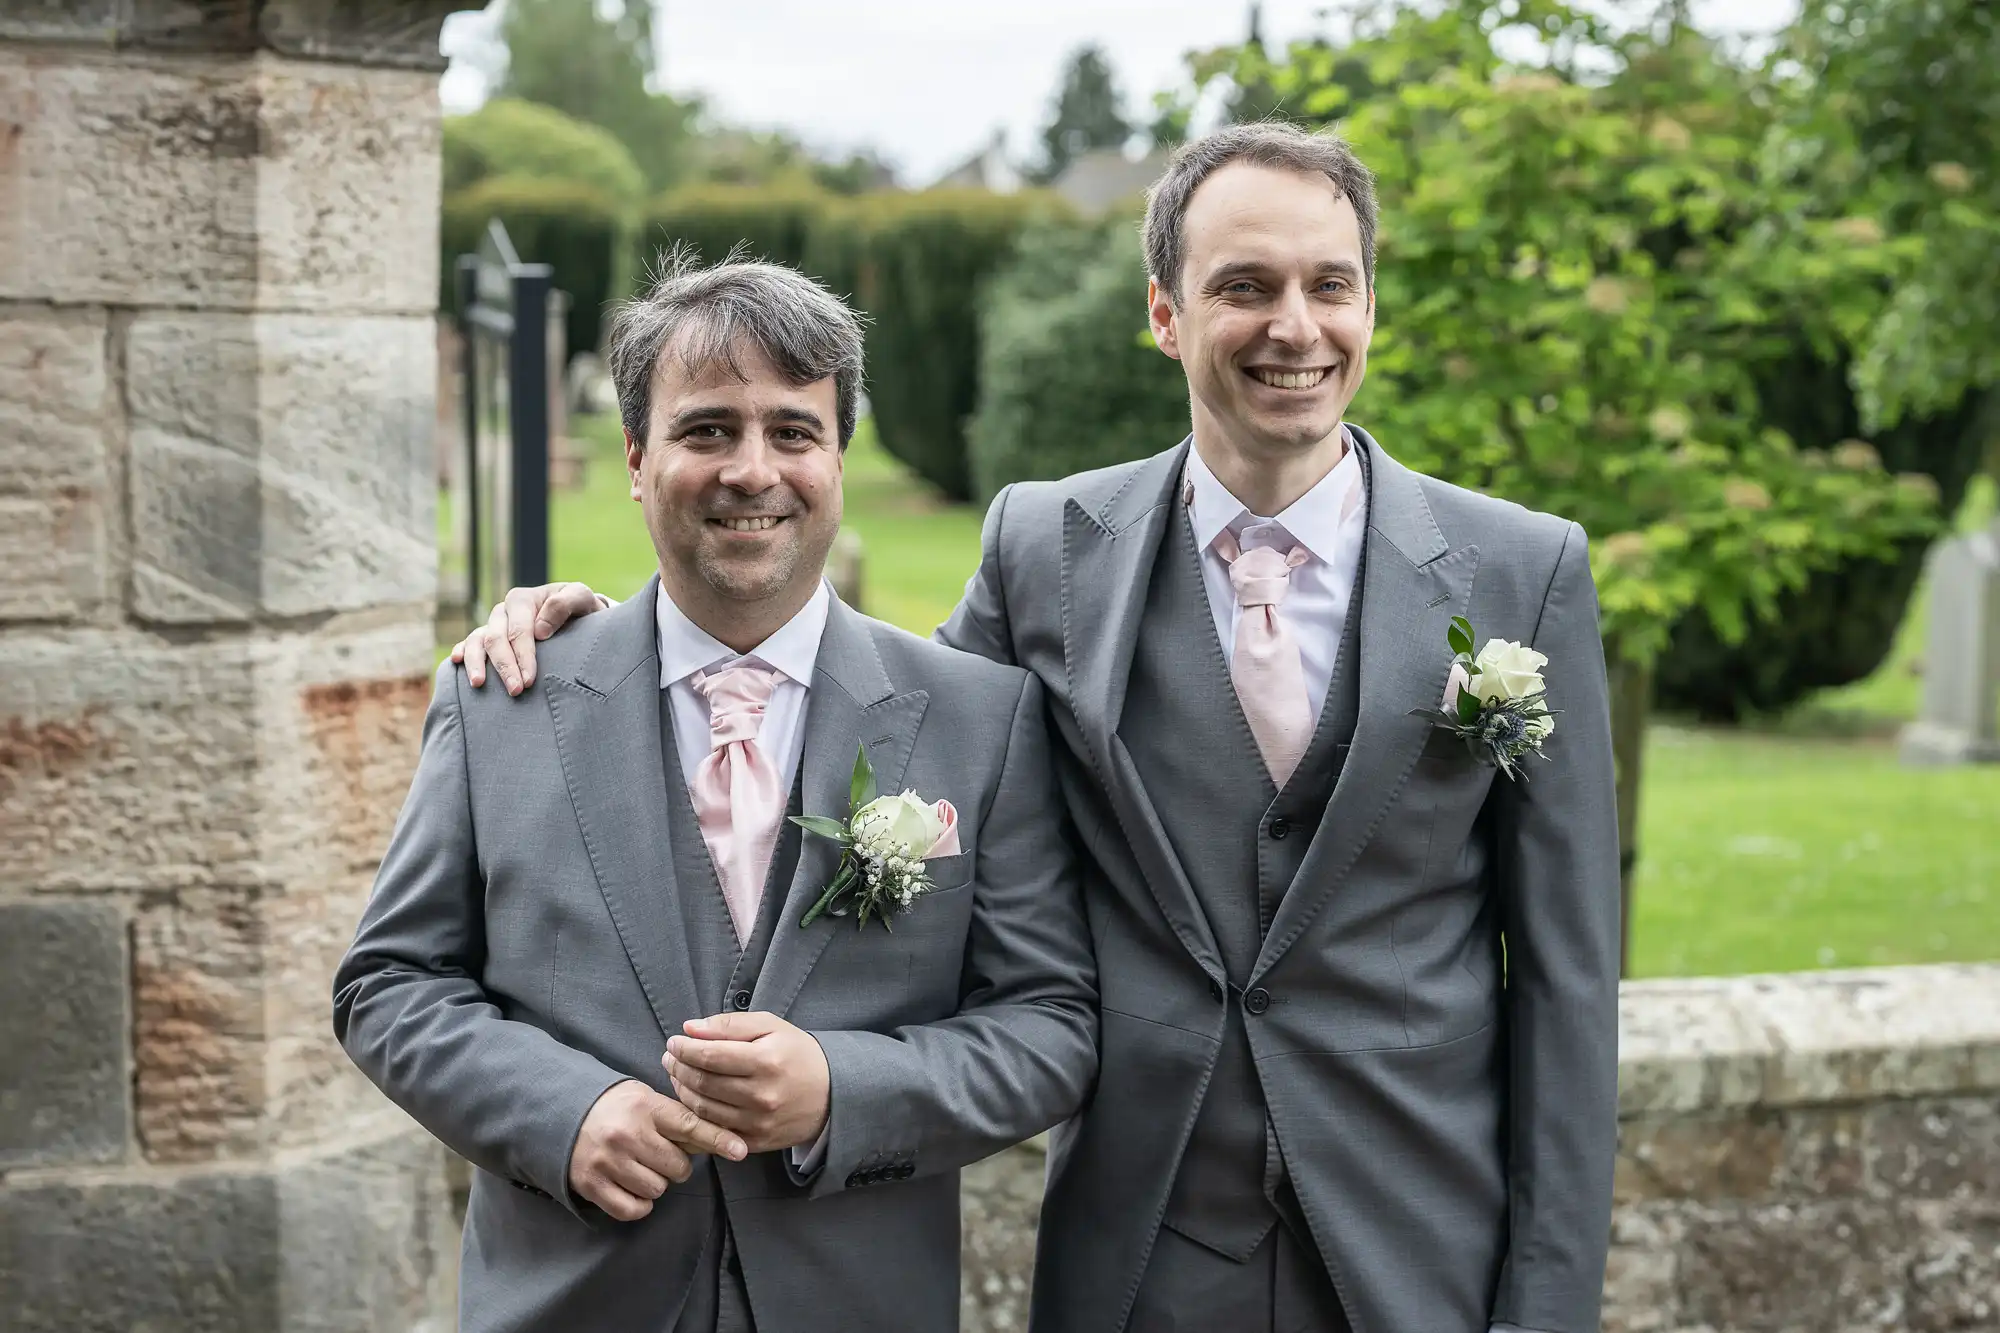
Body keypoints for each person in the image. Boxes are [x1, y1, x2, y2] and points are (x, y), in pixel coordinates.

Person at [458, 123, 1620, 1333]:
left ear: (1369, 304)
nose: (1295, 326)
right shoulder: (1043, 547)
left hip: (1419, 1241)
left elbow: (1566, 990)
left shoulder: (1519, 571)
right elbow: (882, 740)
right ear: (1164, 314)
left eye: (1330, 284)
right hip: (1139, 1245)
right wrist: (600, 633)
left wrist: (1544, 1308)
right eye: (1243, 286)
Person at [338, 257, 1097, 1333]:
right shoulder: (501, 700)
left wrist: (841, 1088)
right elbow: (389, 984)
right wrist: (566, 1112)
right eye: (706, 431)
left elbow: (1050, 1026)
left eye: (792, 431)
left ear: (838, 457)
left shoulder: (981, 718)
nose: (752, 470)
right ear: (638, 461)